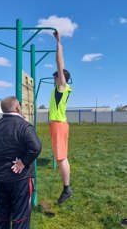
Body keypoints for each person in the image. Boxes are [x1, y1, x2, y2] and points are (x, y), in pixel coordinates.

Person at [0, 96, 42, 229]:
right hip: (20, 178)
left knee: (2, 216)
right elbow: (36, 147)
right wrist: (23, 162)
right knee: (21, 217)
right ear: (18, 108)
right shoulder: (24, 126)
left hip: (1, 178)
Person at [49, 31, 72, 205]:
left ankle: (67, 188)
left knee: (61, 157)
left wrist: (58, 41)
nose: (54, 78)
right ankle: (66, 188)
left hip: (58, 125)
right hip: (59, 124)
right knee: (61, 157)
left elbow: (59, 61)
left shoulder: (62, 86)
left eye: (56, 75)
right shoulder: (59, 89)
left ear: (61, 77)